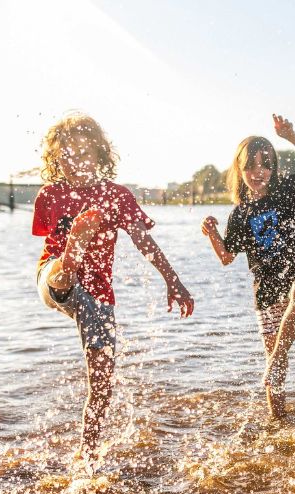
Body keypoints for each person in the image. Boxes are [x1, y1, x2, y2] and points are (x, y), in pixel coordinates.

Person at [31, 112, 193, 460]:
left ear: (101, 156)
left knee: (102, 380)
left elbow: (143, 242)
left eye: (84, 154)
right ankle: (71, 258)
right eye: (66, 155)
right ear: (56, 159)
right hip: (53, 277)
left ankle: (86, 457)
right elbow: (45, 241)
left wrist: (173, 280)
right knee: (62, 277)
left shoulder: (117, 196)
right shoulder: (49, 195)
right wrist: (70, 260)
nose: (75, 162)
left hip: (98, 295)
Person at [201, 115, 295, 420]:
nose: (259, 172)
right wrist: (212, 235)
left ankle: (279, 357)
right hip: (267, 290)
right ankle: (278, 422)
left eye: (266, 164)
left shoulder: (290, 190)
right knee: (274, 371)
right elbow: (227, 256)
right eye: (251, 165)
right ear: (239, 169)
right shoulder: (240, 214)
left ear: (274, 167)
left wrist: (291, 137)